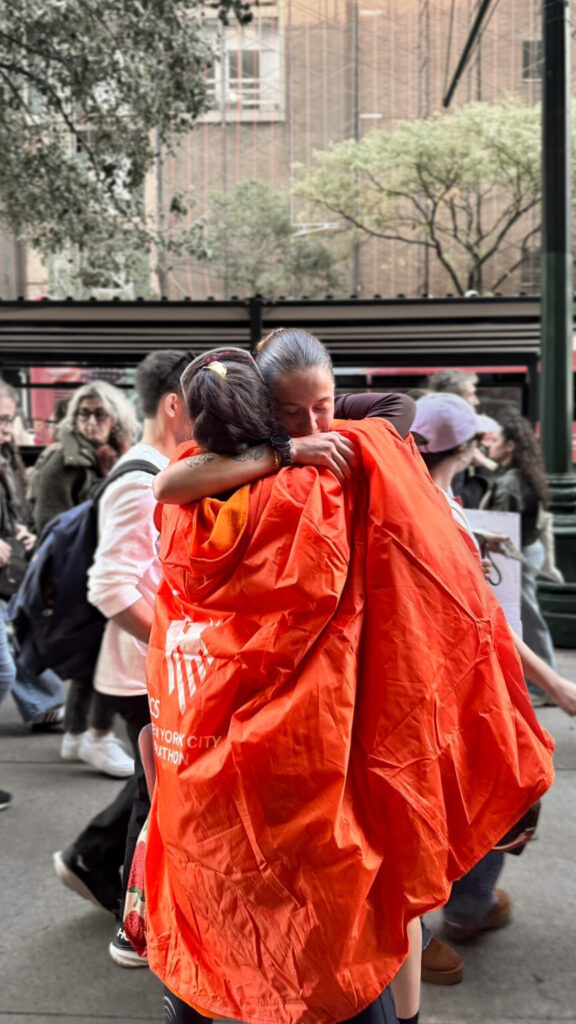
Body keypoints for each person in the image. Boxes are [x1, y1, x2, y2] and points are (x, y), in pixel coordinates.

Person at [145, 347, 553, 1024]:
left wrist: (282, 437)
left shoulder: (185, 506)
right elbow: (398, 412)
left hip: (203, 768)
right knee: (342, 939)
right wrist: (299, 446)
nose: (315, 421)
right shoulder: (328, 478)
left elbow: (172, 483)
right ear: (266, 415)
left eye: (324, 406)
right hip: (312, 767)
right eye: (292, 410)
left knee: (212, 939)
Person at [53, 349, 193, 969]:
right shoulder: (142, 480)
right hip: (141, 670)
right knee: (157, 797)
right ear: (173, 404)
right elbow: (110, 588)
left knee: (152, 784)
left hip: (147, 665)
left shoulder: (164, 467)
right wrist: (171, 644)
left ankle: (86, 857)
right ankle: (134, 929)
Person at [30, 380, 140, 775]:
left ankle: (79, 735)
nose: (90, 421)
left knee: (94, 658)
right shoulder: (63, 460)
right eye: (82, 413)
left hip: (105, 567)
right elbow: (50, 526)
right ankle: (94, 735)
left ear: (115, 419)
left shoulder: (116, 456)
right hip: (79, 575)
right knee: (102, 656)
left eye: (99, 413)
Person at [0, 380, 66, 730]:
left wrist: (20, 533)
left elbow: (12, 513)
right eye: (1, 420)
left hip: (8, 571)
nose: (6, 430)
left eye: (9, 420)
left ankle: (44, 702)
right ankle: (44, 701)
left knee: (17, 640)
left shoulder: (5, 460)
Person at [482, 413, 560, 706]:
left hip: (516, 552)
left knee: (528, 615)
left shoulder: (511, 479)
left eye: (497, 440)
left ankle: (544, 686)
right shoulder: (517, 472)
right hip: (527, 548)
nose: (490, 445)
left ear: (511, 446)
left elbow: (501, 519)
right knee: (527, 613)